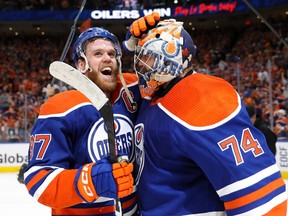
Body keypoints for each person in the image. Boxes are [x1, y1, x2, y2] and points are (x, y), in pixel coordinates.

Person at [123, 13, 288, 215]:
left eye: (146, 56)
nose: (140, 65)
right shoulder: (152, 97)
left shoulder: (201, 95)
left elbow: (258, 195)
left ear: (170, 55)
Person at [23, 27, 141, 215]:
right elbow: (38, 181)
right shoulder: (61, 108)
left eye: (112, 53)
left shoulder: (132, 91)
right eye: (98, 53)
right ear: (81, 65)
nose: (107, 58)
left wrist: (148, 38)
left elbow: (165, 81)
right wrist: (92, 180)